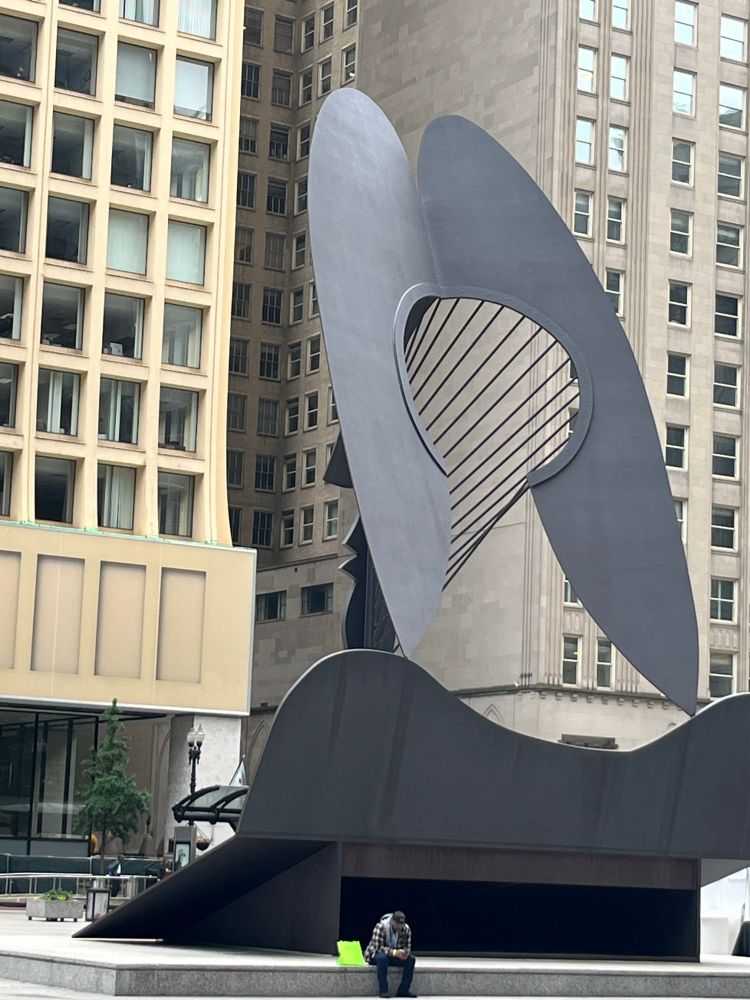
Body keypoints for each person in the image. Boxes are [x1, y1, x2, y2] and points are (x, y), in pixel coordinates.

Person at [364, 910, 417, 999]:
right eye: (397, 925)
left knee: (411, 959)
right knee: (382, 958)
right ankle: (383, 990)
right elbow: (378, 948)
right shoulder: (381, 927)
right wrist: (395, 953)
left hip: (394, 955)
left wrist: (405, 953)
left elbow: (408, 947)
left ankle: (403, 990)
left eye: (401, 925)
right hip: (376, 954)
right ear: (392, 921)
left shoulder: (406, 929)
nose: (399, 928)